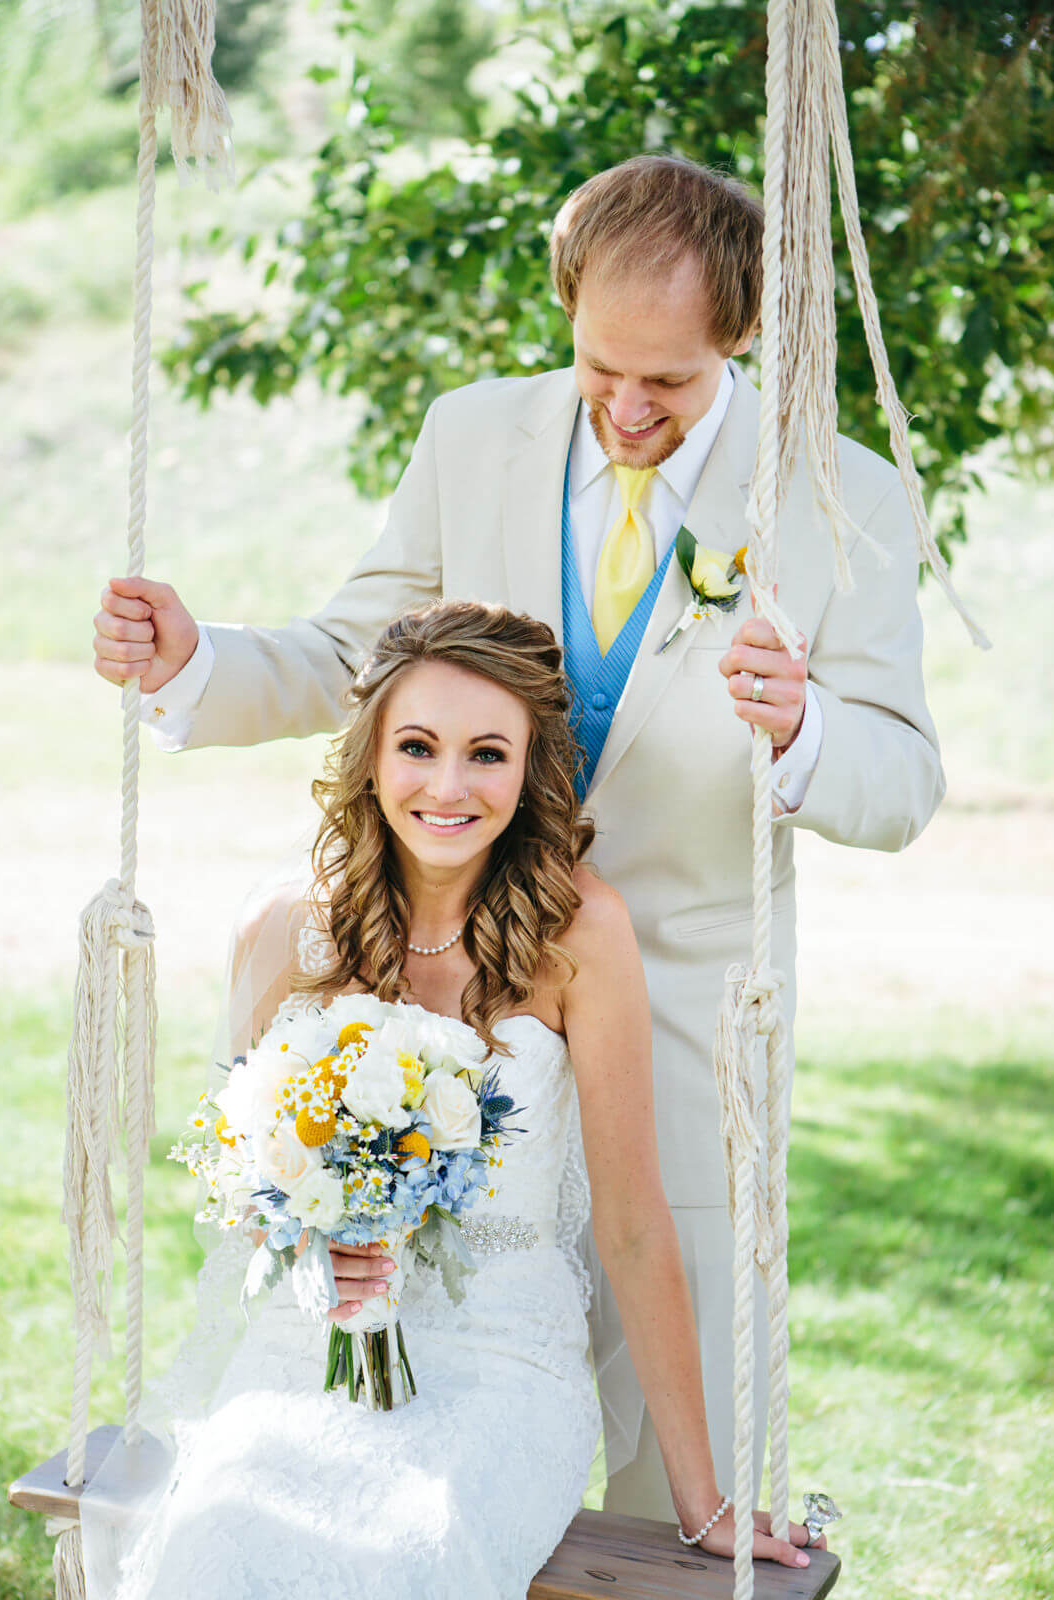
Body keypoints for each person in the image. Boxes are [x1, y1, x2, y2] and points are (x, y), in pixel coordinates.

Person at [91, 154, 944, 1514]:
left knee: (678, 1473)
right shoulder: (474, 435)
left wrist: (801, 735)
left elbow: (901, 781)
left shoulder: (839, 499)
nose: (623, 406)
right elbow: (350, 654)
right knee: (424, 1423)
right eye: (599, 364)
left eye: (664, 380)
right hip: (457, 1013)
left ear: (735, 336)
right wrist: (198, 663)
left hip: (684, 1029)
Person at [87, 601, 822, 1600]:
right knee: (221, 1534)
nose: (447, 785)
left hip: (502, 1368)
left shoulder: (579, 932)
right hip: (312, 1350)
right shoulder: (288, 927)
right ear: (371, 756)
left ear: (528, 772)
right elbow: (241, 1179)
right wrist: (316, 1237)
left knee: (415, 1547)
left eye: (485, 754)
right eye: (417, 747)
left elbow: (633, 1224)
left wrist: (701, 1499)